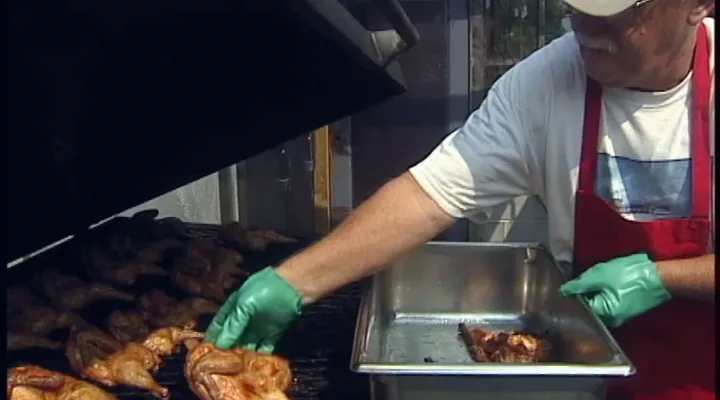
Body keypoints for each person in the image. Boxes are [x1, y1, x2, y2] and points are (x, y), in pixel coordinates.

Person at [205, 0, 715, 398]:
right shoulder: (546, 84)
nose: (586, 27)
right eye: (578, 8)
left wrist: (663, 278)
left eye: (624, 13)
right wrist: (293, 281)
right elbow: (429, 194)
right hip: (588, 375)